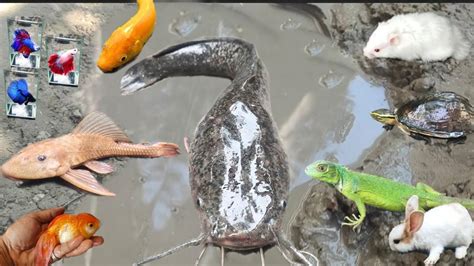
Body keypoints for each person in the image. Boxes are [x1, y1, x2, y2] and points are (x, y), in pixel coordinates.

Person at [0, 207, 104, 265]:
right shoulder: (73, 226)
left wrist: (6, 249)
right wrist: (6, 250)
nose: (94, 228)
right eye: (91, 226)